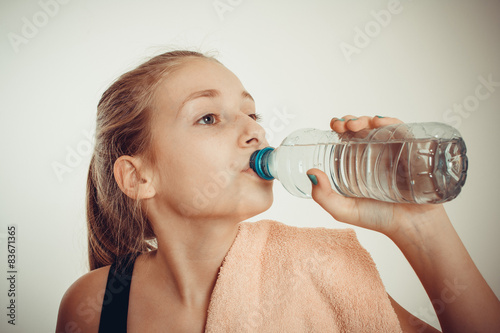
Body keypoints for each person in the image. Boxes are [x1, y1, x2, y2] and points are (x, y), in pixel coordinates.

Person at [55, 50, 500, 332]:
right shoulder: (90, 307)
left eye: (252, 113)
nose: (254, 130)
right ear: (137, 177)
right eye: (208, 117)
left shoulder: (322, 267)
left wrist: (418, 225)